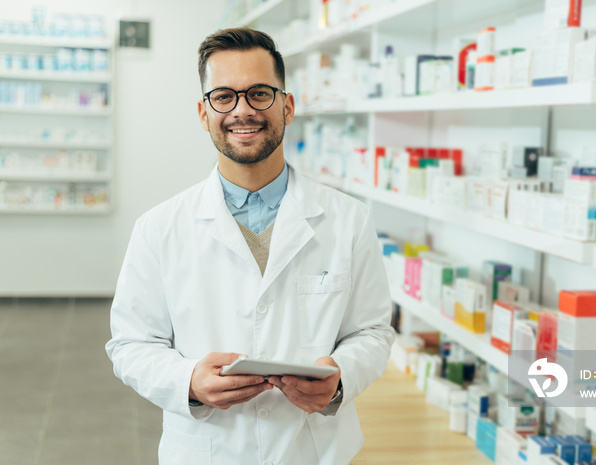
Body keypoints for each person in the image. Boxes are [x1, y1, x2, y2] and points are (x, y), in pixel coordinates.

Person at [105, 27, 395, 465]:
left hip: (314, 450)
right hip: (206, 451)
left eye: (259, 93)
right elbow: (130, 344)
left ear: (287, 105)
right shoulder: (159, 228)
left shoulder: (348, 220)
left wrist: (340, 379)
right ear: (203, 113)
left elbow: (372, 332)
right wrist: (188, 380)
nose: (243, 110)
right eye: (224, 96)